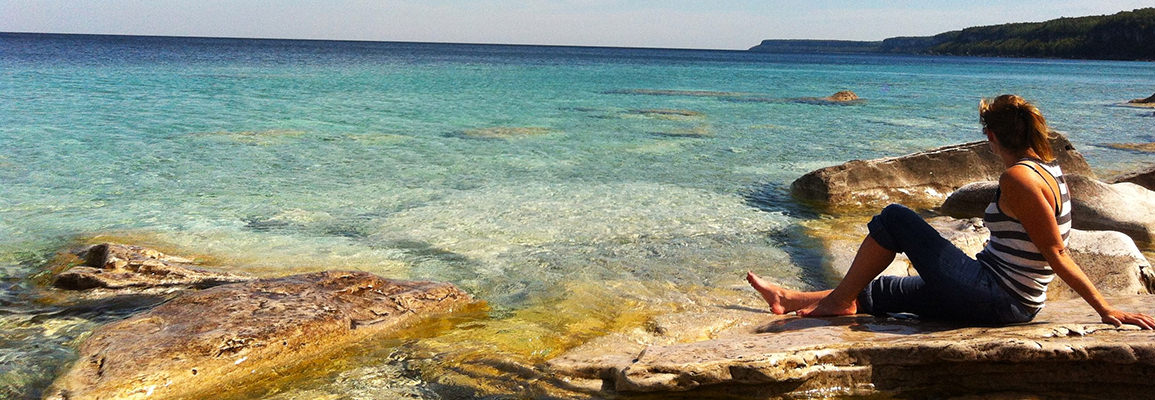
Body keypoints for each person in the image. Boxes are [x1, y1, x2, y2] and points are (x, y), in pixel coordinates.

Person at [747, 94, 1154, 329]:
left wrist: (1106, 310)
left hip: (1000, 297)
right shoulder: (1051, 169)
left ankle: (836, 299)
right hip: (995, 291)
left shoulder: (1020, 179)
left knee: (894, 217)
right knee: (882, 292)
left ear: (991, 136)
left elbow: (1057, 252)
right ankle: (789, 297)